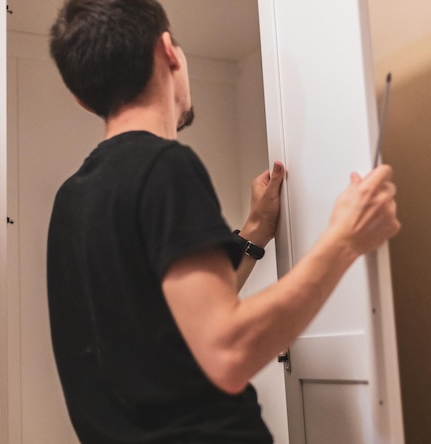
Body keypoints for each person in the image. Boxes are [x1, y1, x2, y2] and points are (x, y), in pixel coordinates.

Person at [47, 0, 401, 443]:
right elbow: (226, 352)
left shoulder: (71, 199)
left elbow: (174, 325)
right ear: (168, 51)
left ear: (82, 99)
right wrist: (345, 239)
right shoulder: (164, 166)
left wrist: (253, 234)